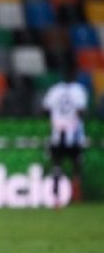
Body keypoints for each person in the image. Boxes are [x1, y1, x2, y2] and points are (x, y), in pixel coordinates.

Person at [42, 68, 88, 204]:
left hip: (58, 132)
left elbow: (45, 108)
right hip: (74, 134)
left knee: (57, 164)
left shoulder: (54, 90)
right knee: (76, 163)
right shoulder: (79, 90)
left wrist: (56, 118)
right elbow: (81, 110)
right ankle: (76, 190)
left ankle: (56, 197)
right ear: (75, 76)